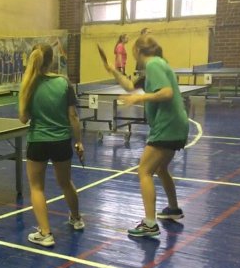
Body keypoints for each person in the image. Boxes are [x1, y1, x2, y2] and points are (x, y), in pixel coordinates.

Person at [101, 35, 188, 237]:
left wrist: (139, 99)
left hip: (167, 126)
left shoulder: (153, 65)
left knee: (144, 170)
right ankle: (173, 209)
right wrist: (112, 70)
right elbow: (131, 87)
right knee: (160, 168)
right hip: (176, 125)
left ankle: (150, 224)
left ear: (138, 51)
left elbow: (166, 93)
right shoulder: (157, 65)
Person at [18, 43, 85, 248]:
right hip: (61, 141)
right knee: (65, 182)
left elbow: (23, 118)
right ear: (52, 60)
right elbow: (73, 116)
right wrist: (79, 141)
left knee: (37, 187)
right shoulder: (64, 83)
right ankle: (76, 219)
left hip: (38, 141)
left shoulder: (28, 85)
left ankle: (45, 233)